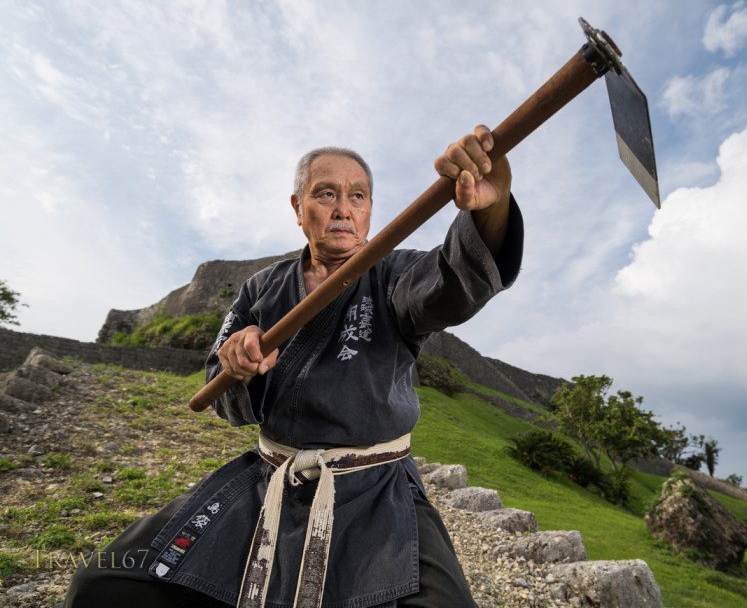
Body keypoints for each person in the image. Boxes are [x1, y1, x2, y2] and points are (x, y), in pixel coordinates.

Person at [63, 124, 523, 608]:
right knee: (101, 585)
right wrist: (235, 367)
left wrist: (492, 205)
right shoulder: (260, 289)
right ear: (298, 208)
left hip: (375, 489)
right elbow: (219, 395)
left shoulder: (394, 274)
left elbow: (456, 278)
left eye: (358, 196)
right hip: (269, 480)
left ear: (369, 210)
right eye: (327, 194)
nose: (344, 208)